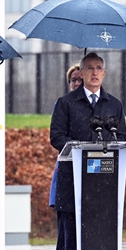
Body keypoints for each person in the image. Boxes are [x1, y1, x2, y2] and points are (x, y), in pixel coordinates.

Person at [50, 52, 126, 250]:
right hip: (73, 180)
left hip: (102, 182)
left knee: (100, 233)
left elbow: (122, 138)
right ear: (81, 73)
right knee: (70, 234)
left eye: (98, 68)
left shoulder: (113, 104)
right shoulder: (66, 103)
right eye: (89, 68)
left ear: (104, 73)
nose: (94, 72)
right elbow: (57, 137)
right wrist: (81, 150)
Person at [48, 64, 82, 209]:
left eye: (81, 80)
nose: (77, 84)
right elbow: (57, 136)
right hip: (68, 164)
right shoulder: (63, 104)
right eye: (73, 80)